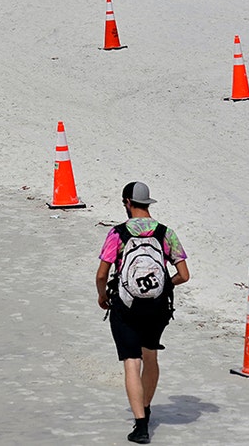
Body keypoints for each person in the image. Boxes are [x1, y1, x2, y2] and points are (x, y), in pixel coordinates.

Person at [95, 182, 189, 444]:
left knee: (131, 362)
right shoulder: (165, 233)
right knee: (151, 357)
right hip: (157, 307)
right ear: (148, 204)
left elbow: (102, 274)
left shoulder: (118, 234)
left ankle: (140, 425)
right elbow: (184, 275)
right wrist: (165, 284)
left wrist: (103, 296)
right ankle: (146, 408)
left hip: (126, 306)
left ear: (127, 202)